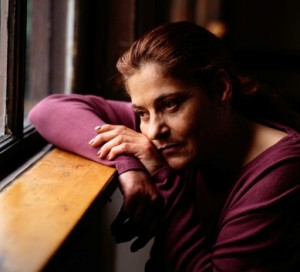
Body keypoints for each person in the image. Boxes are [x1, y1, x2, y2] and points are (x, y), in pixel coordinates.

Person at [29, 21, 300, 271]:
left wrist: (162, 177)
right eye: (142, 113)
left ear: (220, 89)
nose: (154, 131)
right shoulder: (187, 133)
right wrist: (128, 165)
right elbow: (48, 110)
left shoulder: (284, 171)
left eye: (170, 104)